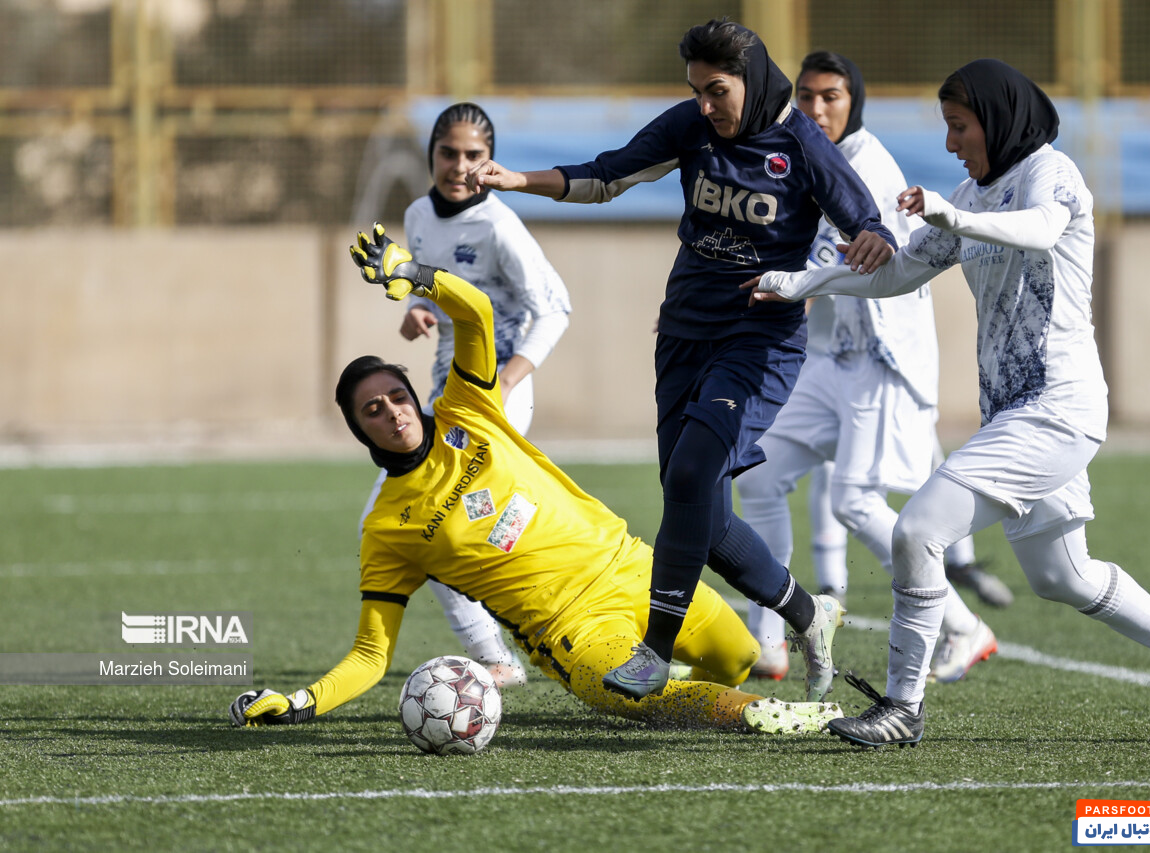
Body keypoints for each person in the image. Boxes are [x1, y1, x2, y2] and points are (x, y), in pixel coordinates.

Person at [746, 59, 1150, 745]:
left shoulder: (1048, 172)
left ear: (998, 120)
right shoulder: (972, 190)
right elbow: (901, 269)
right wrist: (803, 283)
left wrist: (949, 212)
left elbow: (1038, 229)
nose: (951, 143)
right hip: (1014, 411)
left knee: (917, 530)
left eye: (959, 126)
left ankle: (903, 707)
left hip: (1056, 407)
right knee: (1064, 575)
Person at [227, 224, 843, 736]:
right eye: (372, 411)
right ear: (358, 431)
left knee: (736, 656)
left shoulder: (466, 410)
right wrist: (303, 701)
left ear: (416, 396)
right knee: (638, 697)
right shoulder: (387, 528)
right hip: (571, 631)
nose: (392, 412)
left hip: (634, 570)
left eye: (396, 396)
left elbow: (476, 313)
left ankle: (724, 689)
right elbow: (370, 655)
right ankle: (763, 716)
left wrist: (415, 275)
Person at [464, 19, 897, 703]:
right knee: (699, 504)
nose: (704, 105)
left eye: (716, 90)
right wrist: (516, 178)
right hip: (683, 333)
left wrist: (872, 240)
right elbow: (607, 176)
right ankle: (812, 616)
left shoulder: (801, 143)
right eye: (695, 90)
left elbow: (866, 221)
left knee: (694, 471)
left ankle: (654, 650)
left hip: (760, 341)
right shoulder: (691, 127)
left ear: (750, 80)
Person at [737, 51, 1006, 686]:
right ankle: (768, 639)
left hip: (882, 359)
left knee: (856, 501)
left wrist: (780, 283)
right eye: (806, 96)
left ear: (854, 100)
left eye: (832, 96)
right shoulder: (796, 156)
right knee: (756, 471)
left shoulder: (870, 166)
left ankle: (965, 626)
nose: (817, 108)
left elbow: (869, 264)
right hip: (829, 359)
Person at [366, 102, 573, 690]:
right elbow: (430, 289)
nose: (460, 166)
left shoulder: (500, 226)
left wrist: (507, 380)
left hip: (498, 395)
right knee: (451, 526)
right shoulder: (417, 214)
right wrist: (416, 312)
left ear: (490, 161)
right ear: (431, 154)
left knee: (428, 522)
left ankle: (503, 653)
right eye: (448, 153)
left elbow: (555, 308)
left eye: (474, 156)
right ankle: (521, 645)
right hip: (444, 391)